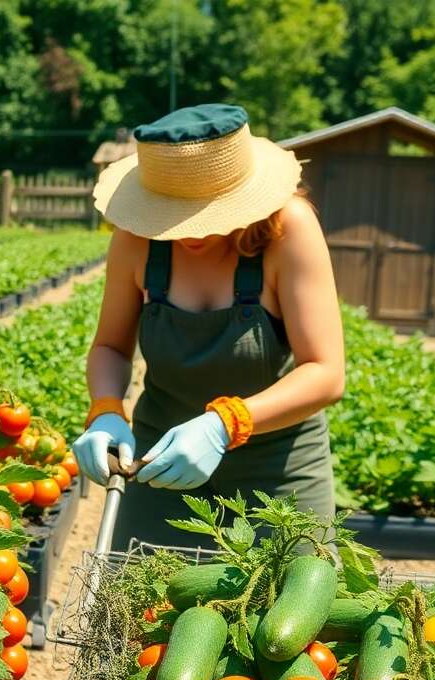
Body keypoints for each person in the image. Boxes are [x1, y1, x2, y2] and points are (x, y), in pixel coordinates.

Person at [72, 104, 345, 552]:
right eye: (171, 212)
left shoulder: (287, 231)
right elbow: (109, 348)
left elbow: (326, 372)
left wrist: (226, 423)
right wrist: (105, 407)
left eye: (202, 213)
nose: (187, 230)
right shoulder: (136, 239)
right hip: (160, 467)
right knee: (140, 611)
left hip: (277, 474)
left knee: (285, 613)